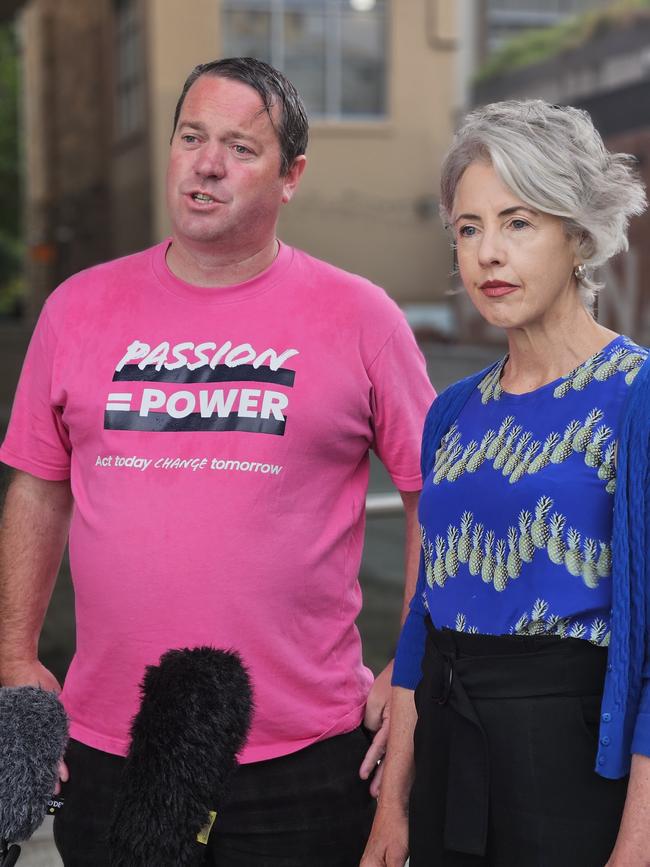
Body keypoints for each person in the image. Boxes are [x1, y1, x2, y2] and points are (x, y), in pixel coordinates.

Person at [0, 57, 434, 866]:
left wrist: (411, 667)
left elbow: (432, 493)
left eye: (239, 146)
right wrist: (17, 656)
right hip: (116, 745)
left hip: (307, 755)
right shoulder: (77, 308)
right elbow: (38, 485)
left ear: (291, 175)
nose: (205, 164)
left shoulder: (361, 315)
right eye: (191, 137)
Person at [361, 99, 649, 867]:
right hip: (452, 751)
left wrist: (638, 845)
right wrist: (393, 806)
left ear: (578, 232)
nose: (489, 253)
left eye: (518, 223)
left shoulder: (636, 396)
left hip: (573, 764)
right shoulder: (451, 412)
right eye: (468, 227)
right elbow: (423, 615)